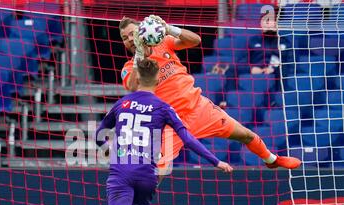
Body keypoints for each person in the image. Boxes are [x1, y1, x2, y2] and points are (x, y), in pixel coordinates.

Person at [95, 58, 233, 205]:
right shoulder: (164, 107)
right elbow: (188, 138)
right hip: (148, 173)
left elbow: (100, 133)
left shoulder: (122, 104)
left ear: (136, 78)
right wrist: (215, 161)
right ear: (158, 80)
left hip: (122, 171)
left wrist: (110, 151)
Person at [118, 15, 301, 177]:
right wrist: (140, 54)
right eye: (125, 38)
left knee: (245, 135)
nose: (129, 40)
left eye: (132, 34)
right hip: (169, 123)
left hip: (200, 109)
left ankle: (272, 160)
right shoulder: (128, 68)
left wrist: (169, 29)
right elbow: (133, 86)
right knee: (158, 172)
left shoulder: (164, 43)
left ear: (142, 31)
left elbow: (195, 40)